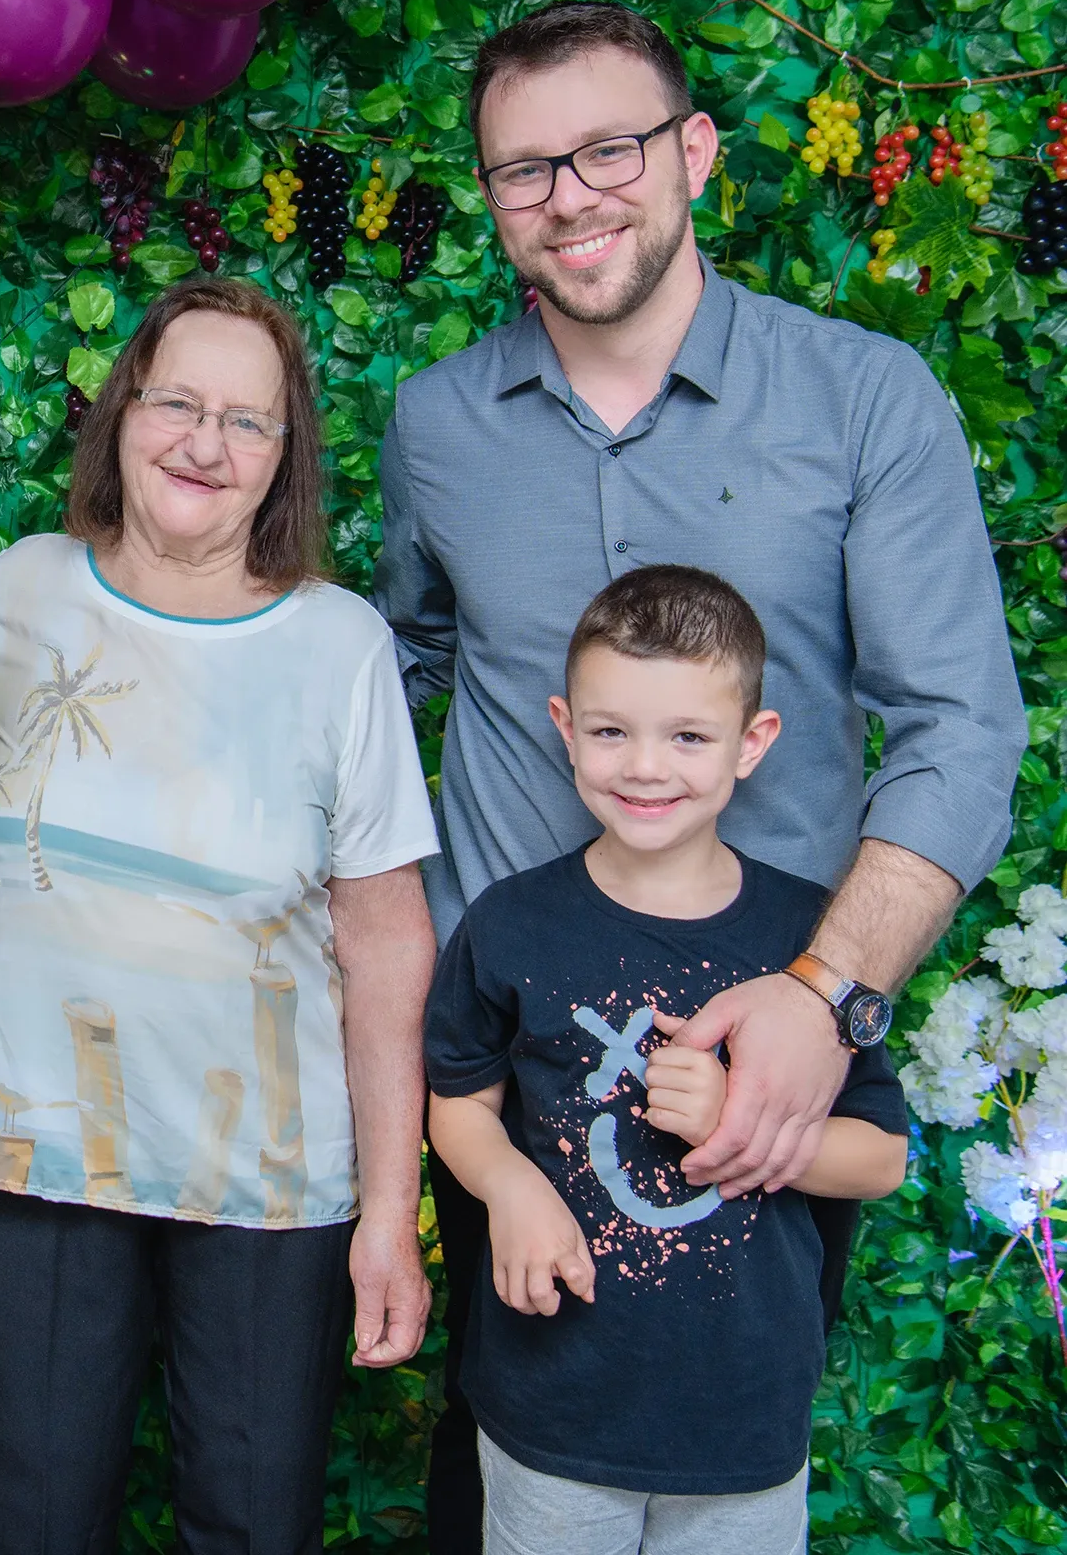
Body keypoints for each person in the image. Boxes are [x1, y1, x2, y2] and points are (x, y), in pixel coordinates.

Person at [373, 1, 1026, 1548]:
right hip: (507, 1070)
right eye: (522, 169)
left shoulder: (860, 399)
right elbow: (392, 672)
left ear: (693, 153)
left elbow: (959, 727)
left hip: (764, 1060)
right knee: (505, 1466)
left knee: (728, 1462)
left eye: (607, 148)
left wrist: (825, 998)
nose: (569, 195)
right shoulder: (435, 424)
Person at [0, 277, 440, 1555]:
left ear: (283, 458)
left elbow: (383, 942)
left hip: (268, 1181)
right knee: (31, 1525)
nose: (204, 444)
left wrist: (389, 1211)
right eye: (177, 403)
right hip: (31, 1150)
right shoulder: (20, 590)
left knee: (253, 1527)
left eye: (247, 422)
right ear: (122, 415)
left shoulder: (340, 646)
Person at [425, 565, 908, 1555]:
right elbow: (459, 1104)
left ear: (751, 743)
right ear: (564, 726)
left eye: (687, 735)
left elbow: (878, 1157)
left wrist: (741, 1120)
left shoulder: (807, 944)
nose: (646, 765)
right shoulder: (509, 924)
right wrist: (510, 1188)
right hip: (551, 1411)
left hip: (744, 1421)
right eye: (610, 731)